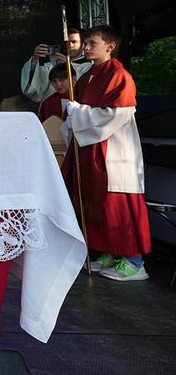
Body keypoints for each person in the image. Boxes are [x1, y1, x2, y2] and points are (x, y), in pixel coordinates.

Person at [61, 25, 151, 281]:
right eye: (86, 43)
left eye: (92, 43)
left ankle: (134, 261)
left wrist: (78, 113)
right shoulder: (90, 74)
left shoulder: (118, 74)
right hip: (93, 146)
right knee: (96, 202)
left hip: (114, 150)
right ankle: (110, 252)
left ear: (110, 45)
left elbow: (118, 113)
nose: (86, 47)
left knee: (117, 204)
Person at [21, 28, 91, 103]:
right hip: (51, 108)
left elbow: (86, 89)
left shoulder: (88, 67)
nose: (70, 45)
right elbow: (34, 87)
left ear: (83, 44)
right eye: (67, 42)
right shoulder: (51, 66)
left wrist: (69, 66)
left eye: (74, 42)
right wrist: (35, 59)